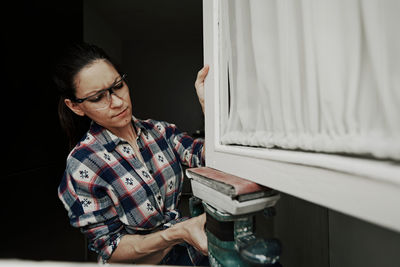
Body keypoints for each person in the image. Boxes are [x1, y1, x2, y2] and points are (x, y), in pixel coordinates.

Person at [54, 43, 210, 265]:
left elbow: (205, 157)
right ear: (76, 107)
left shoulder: (160, 132)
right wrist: (177, 233)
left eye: (118, 86)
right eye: (98, 98)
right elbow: (111, 247)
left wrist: (209, 108)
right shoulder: (83, 165)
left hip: (190, 253)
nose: (117, 102)